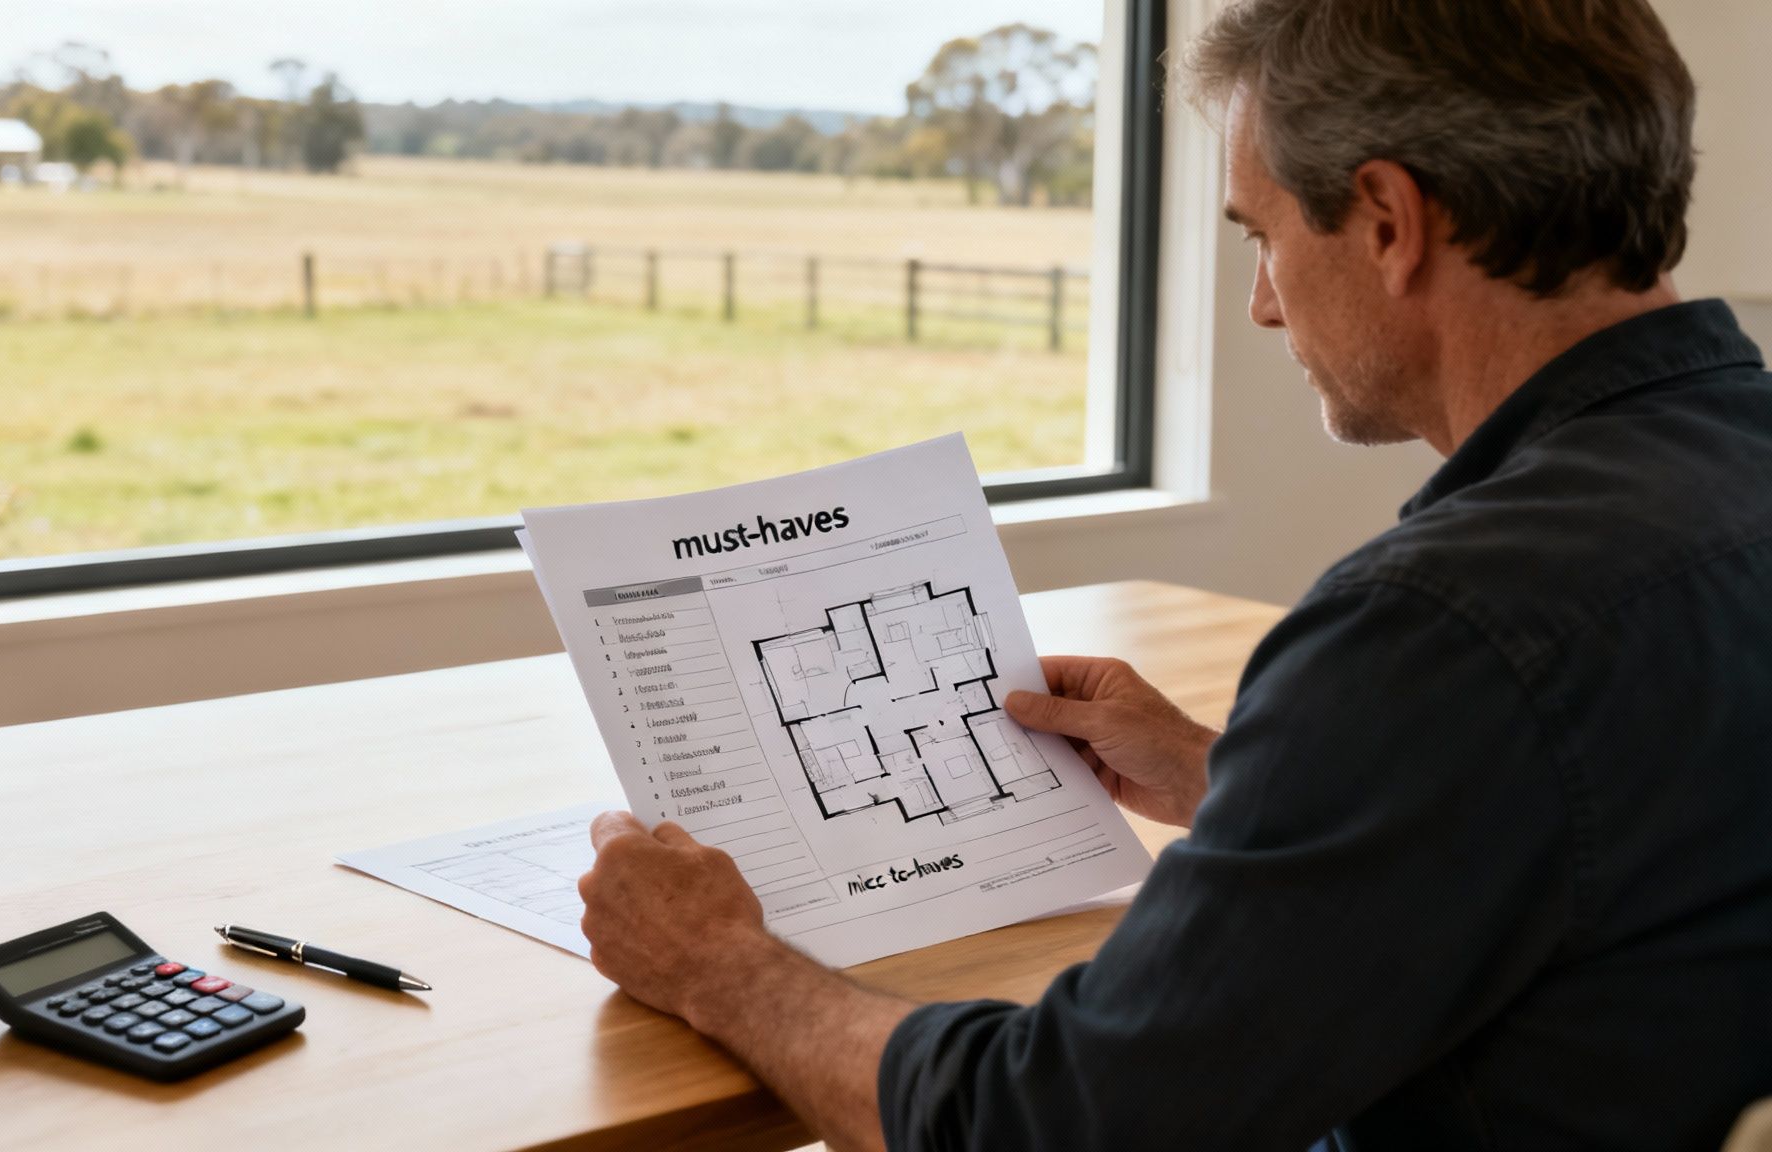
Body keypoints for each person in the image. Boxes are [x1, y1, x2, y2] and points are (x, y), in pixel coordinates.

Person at [575, 1, 1772, 1148]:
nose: (1258, 306)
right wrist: (1251, 783)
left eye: (1259, 234)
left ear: (1387, 220)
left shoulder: (1444, 628)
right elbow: (1639, 816)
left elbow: (1054, 1129)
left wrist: (721, 966)